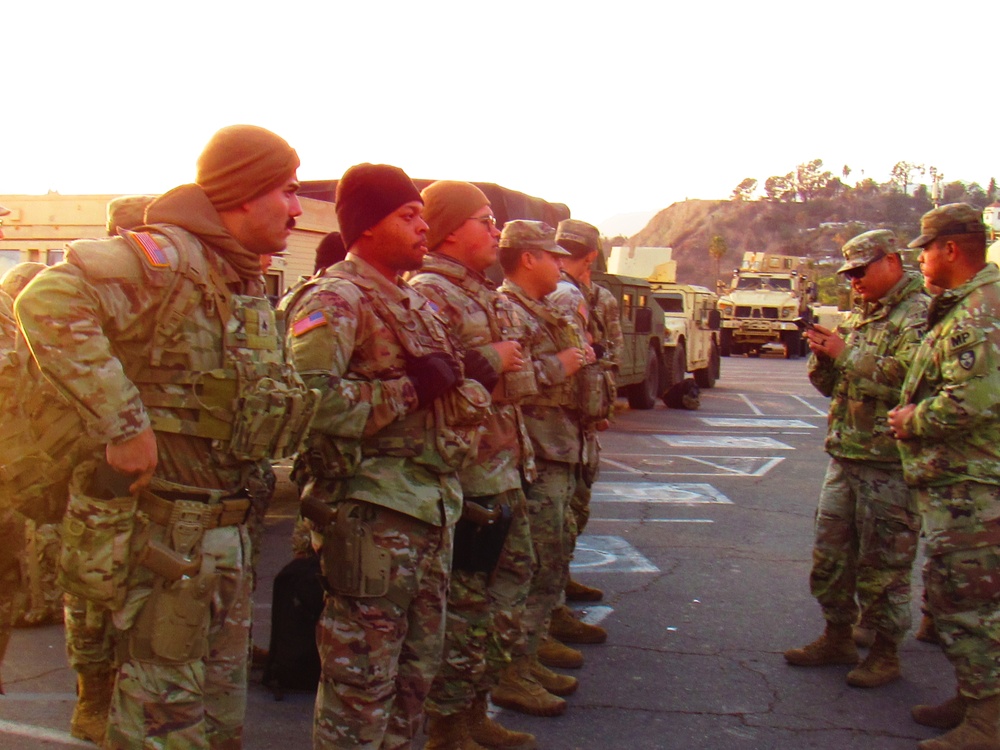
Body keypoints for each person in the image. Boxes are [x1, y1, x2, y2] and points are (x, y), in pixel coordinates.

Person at [15, 124, 316, 749]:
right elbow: (49, 299)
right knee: (160, 730)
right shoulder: (168, 258)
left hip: (223, 543)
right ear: (244, 191)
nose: (296, 208)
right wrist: (123, 424)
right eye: (287, 191)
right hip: (166, 547)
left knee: (216, 728)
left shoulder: (234, 275)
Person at [283, 164, 491, 749]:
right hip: (372, 516)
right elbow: (307, 403)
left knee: (412, 681)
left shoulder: (408, 300)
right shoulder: (335, 298)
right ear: (367, 226)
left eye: (422, 214)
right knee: (360, 683)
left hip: (428, 509)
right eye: (408, 216)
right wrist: (408, 390)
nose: (424, 226)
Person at [408, 181, 547, 745]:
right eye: (484, 220)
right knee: (465, 605)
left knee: (502, 597)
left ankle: (472, 709)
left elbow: (516, 380)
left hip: (503, 469)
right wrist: (488, 360)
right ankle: (447, 725)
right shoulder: (430, 293)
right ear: (447, 228)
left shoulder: (479, 292)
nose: (495, 231)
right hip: (468, 477)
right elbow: (426, 381)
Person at [783, 229, 928, 689]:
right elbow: (833, 387)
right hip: (846, 454)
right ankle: (837, 634)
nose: (853, 281)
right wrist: (825, 358)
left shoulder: (918, 314)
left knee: (885, 564)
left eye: (860, 271)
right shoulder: (863, 315)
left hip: (890, 462)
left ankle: (885, 653)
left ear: (891, 262)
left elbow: (911, 380)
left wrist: (847, 354)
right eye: (848, 273)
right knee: (832, 556)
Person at [887, 203, 1000, 749]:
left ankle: (988, 721)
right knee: (957, 596)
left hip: (975, 488)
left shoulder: (981, 309)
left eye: (925, 249)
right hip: (959, 484)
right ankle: (974, 696)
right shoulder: (962, 305)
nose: (922, 260)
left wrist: (912, 419)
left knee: (972, 601)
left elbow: (970, 401)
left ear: (951, 249)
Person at [497, 220, 592, 712]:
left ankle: (525, 656)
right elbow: (507, 384)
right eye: (552, 256)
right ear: (528, 258)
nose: (562, 263)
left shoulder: (534, 307)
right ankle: (512, 668)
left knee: (549, 557)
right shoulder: (509, 310)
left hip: (556, 446)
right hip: (532, 454)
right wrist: (565, 365)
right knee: (528, 565)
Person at [546, 218, 622, 649]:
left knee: (577, 503)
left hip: (585, 415)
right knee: (555, 516)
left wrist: (602, 404)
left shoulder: (600, 299)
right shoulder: (556, 293)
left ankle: (563, 577)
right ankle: (552, 601)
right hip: (560, 418)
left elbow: (608, 353)